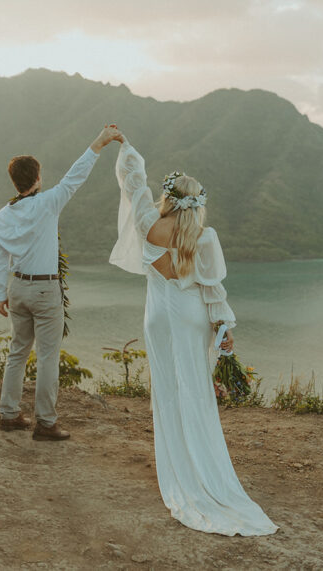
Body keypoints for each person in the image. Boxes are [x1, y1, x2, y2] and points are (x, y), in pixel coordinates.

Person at [109, 135, 278, 536]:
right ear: (198, 204)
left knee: (166, 391)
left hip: (157, 319)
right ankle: (204, 470)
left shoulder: (148, 223)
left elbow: (133, 183)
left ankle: (176, 468)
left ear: (168, 197)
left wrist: (126, 148)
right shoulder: (204, 237)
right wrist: (225, 328)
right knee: (196, 392)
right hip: (190, 318)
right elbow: (211, 288)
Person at [0, 125, 123, 441]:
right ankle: (46, 423)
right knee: (48, 357)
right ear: (37, 179)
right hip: (45, 289)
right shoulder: (48, 202)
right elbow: (74, 177)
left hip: (17, 288)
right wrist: (99, 143)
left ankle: (9, 414)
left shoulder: (1, 217)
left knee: (17, 353)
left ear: (14, 181)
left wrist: (0, 294)